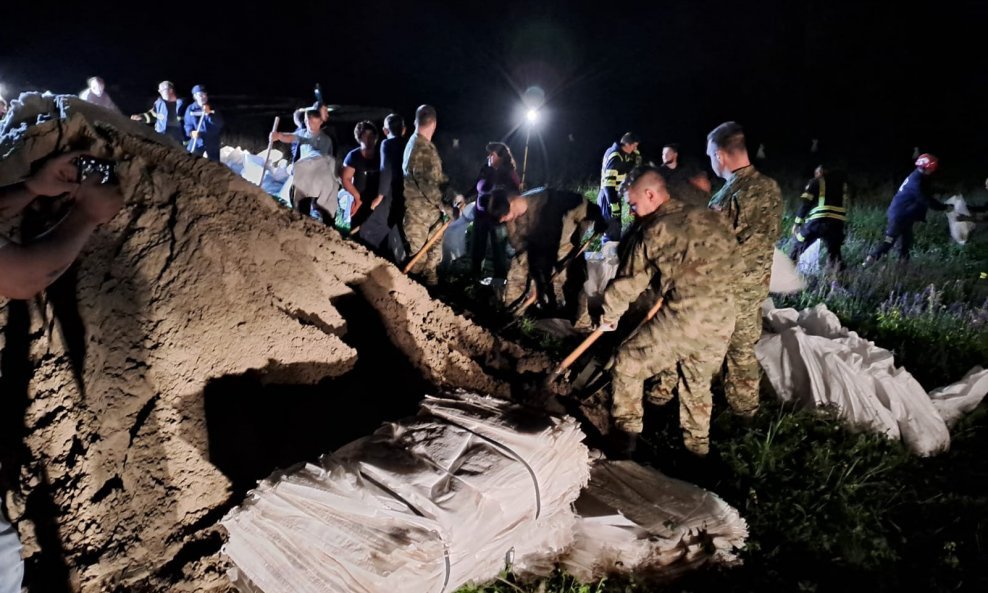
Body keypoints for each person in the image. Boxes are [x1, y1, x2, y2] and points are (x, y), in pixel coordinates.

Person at [596, 167, 739, 456]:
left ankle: (625, 438)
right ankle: (697, 452)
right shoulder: (713, 217)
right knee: (697, 384)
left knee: (627, 362)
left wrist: (609, 317)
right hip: (724, 317)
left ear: (651, 194)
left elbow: (626, 284)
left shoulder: (655, 229)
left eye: (634, 205)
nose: (633, 212)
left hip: (687, 318)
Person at [706, 121, 782, 418]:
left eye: (711, 155)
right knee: (743, 349)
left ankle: (721, 410)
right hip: (756, 285)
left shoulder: (727, 196)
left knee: (718, 348)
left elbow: (712, 248)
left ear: (720, 155)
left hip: (727, 289)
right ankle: (746, 410)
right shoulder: (770, 187)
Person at [491, 187, 604, 323]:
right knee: (517, 275)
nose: (504, 221)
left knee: (573, 282)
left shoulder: (552, 200)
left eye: (505, 217)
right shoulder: (511, 222)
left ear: (512, 203)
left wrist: (599, 219)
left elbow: (585, 207)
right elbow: (521, 251)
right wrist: (535, 280)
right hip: (536, 251)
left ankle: (581, 323)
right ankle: (514, 316)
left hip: (565, 248)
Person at [402, 105, 457, 286]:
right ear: (434, 123)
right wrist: (446, 207)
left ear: (415, 121)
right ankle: (413, 298)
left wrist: (451, 191)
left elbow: (437, 178)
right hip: (418, 217)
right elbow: (427, 187)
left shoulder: (426, 146)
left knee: (432, 260)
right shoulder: (418, 148)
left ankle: (431, 296)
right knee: (418, 261)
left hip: (431, 216)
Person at [864, 154, 952, 264]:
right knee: (889, 241)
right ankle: (869, 260)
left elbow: (928, 193)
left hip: (905, 216)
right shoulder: (916, 181)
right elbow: (925, 199)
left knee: (906, 243)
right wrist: (943, 207)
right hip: (899, 216)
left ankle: (903, 266)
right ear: (926, 167)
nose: (933, 170)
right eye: (931, 168)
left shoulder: (919, 177)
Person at [356, 113, 406, 256]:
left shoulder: (387, 144)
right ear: (404, 129)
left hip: (390, 191)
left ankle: (367, 253)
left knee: (375, 225)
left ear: (385, 131)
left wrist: (380, 196)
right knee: (396, 223)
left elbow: (386, 170)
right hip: (406, 191)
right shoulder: (408, 143)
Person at [471, 142, 520, 282]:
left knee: (499, 250)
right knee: (477, 248)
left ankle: (499, 281)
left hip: (497, 219)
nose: (488, 156)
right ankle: (475, 278)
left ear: (500, 156)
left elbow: (515, 195)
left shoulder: (509, 174)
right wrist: (464, 198)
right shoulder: (486, 169)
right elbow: (476, 187)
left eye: (491, 154)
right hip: (480, 216)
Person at [271, 108, 335, 215]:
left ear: (320, 122)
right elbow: (289, 137)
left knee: (319, 206)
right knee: (299, 206)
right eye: (307, 121)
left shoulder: (325, 140)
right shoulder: (303, 134)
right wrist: (278, 136)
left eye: (313, 122)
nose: (310, 124)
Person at [789, 165, 850, 269]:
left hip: (819, 222)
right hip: (837, 224)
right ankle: (837, 282)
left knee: (799, 244)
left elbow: (806, 203)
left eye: (816, 173)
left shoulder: (816, 182)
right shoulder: (842, 185)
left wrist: (797, 223)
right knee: (835, 254)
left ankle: (784, 274)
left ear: (820, 172)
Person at [597, 132, 641, 241]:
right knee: (611, 231)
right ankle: (608, 254)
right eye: (635, 146)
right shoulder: (615, 156)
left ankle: (612, 253)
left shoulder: (625, 154)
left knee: (616, 229)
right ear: (628, 145)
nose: (636, 149)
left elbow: (630, 175)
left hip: (615, 195)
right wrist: (614, 205)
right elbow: (609, 184)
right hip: (608, 197)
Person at [341, 120, 380, 227]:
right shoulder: (353, 156)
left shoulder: (381, 155)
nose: (368, 139)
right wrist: (357, 197)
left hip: (376, 200)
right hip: (357, 199)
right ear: (359, 138)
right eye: (365, 136)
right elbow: (345, 179)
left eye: (371, 135)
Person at [658, 142, 712, 207]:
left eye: (667, 153)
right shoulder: (659, 173)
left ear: (675, 155)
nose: (664, 156)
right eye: (663, 154)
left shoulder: (686, 170)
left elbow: (702, 183)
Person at [183, 85, 224, 161]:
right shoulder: (191, 109)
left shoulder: (213, 108)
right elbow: (187, 124)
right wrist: (191, 133)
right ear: (195, 96)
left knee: (214, 163)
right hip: (197, 140)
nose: (202, 97)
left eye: (204, 94)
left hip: (212, 140)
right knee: (192, 160)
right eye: (200, 95)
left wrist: (210, 114)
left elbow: (219, 124)